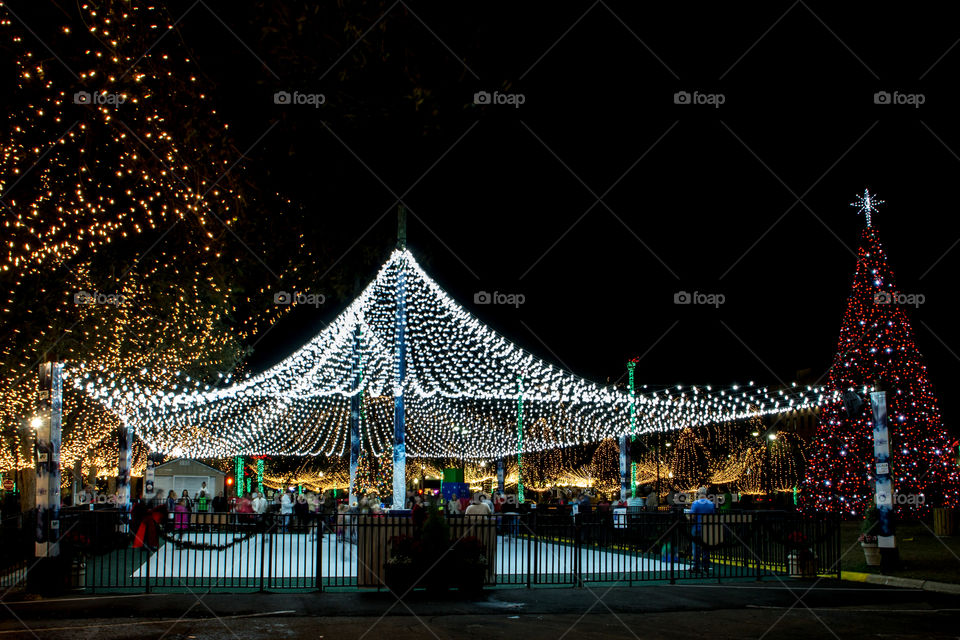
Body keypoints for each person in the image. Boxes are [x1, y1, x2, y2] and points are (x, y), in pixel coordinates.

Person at [689, 486, 716, 574]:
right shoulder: (711, 504)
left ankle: (696, 566)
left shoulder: (695, 503)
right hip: (707, 527)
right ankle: (706, 566)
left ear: (698, 494)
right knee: (706, 548)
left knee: (696, 548)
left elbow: (692, 517)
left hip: (697, 527)